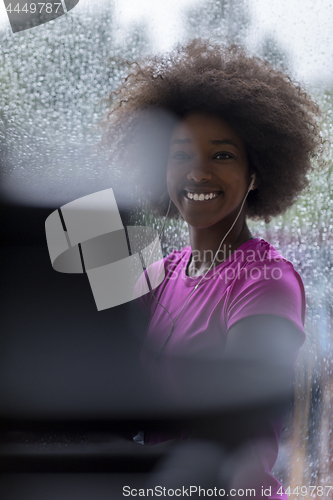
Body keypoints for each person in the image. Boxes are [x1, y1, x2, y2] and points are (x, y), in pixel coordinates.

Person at [103, 39, 323, 499]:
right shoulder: (155, 277)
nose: (198, 171)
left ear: (255, 172)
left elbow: (229, 425)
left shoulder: (269, 284)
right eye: (180, 154)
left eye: (221, 155)